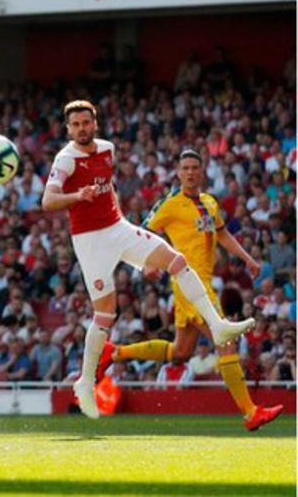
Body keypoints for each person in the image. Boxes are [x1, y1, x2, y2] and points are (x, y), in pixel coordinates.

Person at [40, 100, 254, 419]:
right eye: (76, 124)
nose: (82, 128)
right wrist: (77, 196)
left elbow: (109, 188)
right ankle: (85, 382)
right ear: (68, 128)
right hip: (89, 240)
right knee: (105, 313)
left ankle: (219, 326)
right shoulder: (66, 159)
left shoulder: (107, 149)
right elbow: (48, 201)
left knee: (177, 261)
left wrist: (136, 257)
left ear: (95, 124)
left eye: (86, 122)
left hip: (117, 227)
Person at [101, 150, 281, 430]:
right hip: (188, 284)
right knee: (226, 342)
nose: (190, 172)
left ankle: (114, 353)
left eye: (195, 167)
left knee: (181, 352)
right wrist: (146, 263)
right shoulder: (170, 203)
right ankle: (250, 412)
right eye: (185, 167)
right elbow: (142, 232)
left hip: (204, 283)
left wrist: (247, 259)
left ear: (202, 170)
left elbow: (221, 234)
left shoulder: (209, 202)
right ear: (178, 172)